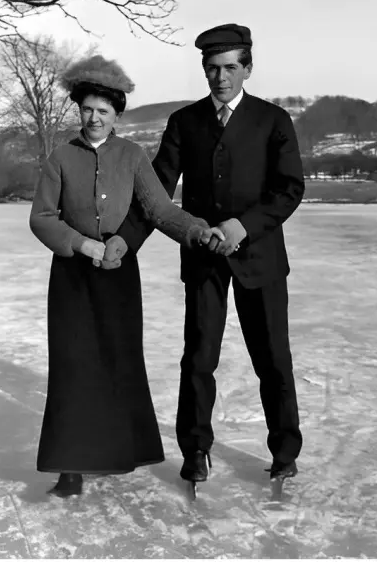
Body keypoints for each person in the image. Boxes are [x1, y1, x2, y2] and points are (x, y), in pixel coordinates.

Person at [114, 23, 306, 485]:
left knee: (273, 359)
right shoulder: (185, 122)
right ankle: (195, 449)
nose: (220, 78)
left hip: (259, 259)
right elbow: (155, 191)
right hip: (202, 258)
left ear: (247, 69)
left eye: (229, 68)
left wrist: (244, 226)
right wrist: (125, 240)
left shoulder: (273, 121)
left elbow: (289, 190)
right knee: (198, 359)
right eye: (212, 69)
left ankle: (285, 451)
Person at [28, 55, 223, 497]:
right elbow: (41, 217)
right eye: (87, 109)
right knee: (73, 367)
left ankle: (120, 453)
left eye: (103, 110)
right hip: (72, 278)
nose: (94, 118)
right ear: (78, 110)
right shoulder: (60, 157)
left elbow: (160, 210)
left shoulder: (132, 155)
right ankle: (70, 468)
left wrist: (195, 230)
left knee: (118, 362)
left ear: (117, 114)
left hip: (119, 278)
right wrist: (81, 244)